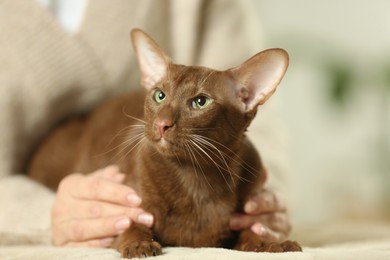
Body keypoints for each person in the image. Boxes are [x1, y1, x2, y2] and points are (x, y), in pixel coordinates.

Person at [0, 0, 292, 248]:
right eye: (159, 95)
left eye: (199, 103)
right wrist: (42, 215)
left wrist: (264, 202)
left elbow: (263, 134)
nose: (164, 120)